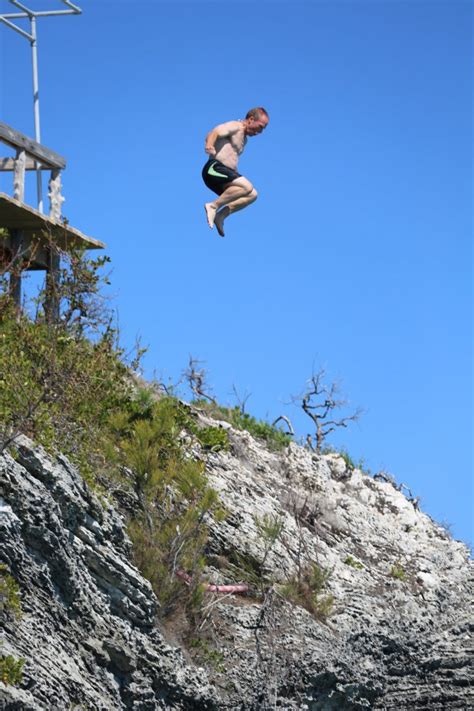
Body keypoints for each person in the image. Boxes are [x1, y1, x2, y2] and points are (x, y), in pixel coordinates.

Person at [202, 107, 269, 237]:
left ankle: (221, 216)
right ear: (251, 120)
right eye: (260, 127)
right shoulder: (235, 126)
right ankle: (213, 206)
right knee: (247, 186)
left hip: (224, 173)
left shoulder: (244, 139)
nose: (260, 132)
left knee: (252, 194)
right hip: (213, 169)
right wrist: (209, 144)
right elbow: (215, 131)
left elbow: (231, 158)